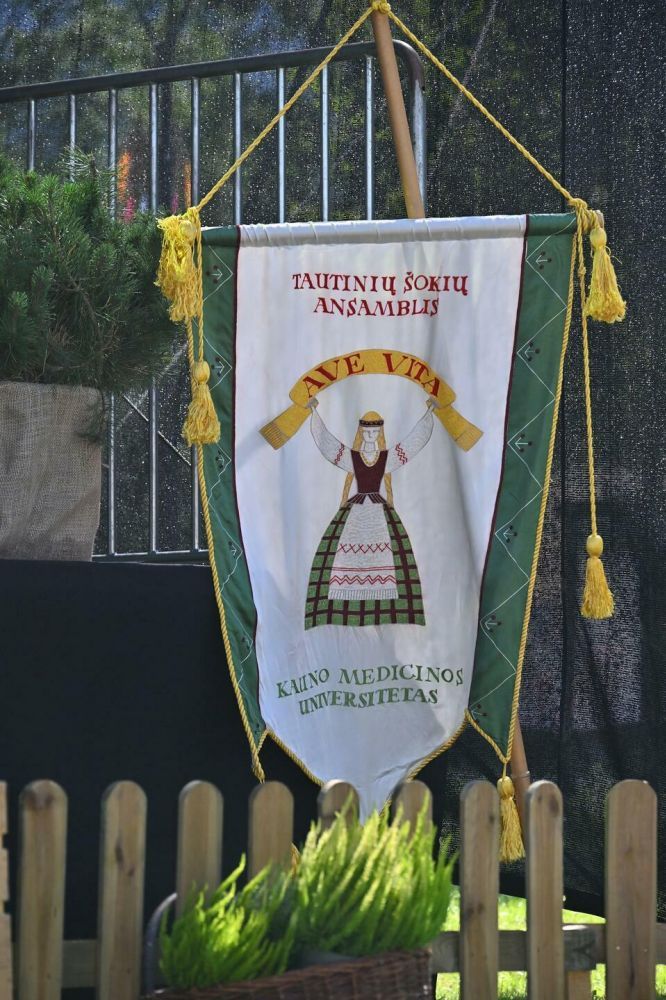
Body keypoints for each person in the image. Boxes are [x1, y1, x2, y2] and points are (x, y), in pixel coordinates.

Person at [304, 397, 436, 629]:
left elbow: (412, 444)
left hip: (379, 512)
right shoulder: (353, 458)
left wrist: (429, 413)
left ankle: (387, 606)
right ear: (360, 432)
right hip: (355, 512)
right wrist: (314, 413)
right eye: (366, 432)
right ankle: (341, 604)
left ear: (380, 433)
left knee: (386, 556)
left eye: (374, 432)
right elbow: (329, 446)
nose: (370, 436)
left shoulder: (386, 458)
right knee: (346, 554)